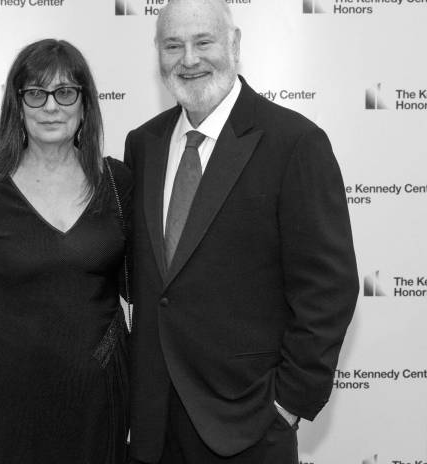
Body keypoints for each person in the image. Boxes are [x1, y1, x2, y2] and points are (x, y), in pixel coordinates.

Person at [124, 1, 359, 462]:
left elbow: (329, 288)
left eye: (203, 41)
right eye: (173, 45)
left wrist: (288, 403)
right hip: (154, 426)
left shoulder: (295, 143)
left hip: (248, 426)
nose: (188, 59)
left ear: (234, 44)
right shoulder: (143, 144)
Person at [0, 39, 131, 464]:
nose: (51, 106)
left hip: (100, 392)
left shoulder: (118, 181)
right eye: (36, 93)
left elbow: (145, 288)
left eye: (65, 92)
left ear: (85, 104)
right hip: (15, 396)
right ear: (18, 105)